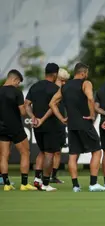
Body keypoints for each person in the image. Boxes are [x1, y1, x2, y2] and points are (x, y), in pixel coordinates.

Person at [49, 63, 105, 192]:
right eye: (86, 73)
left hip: (71, 125)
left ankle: (75, 185)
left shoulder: (65, 86)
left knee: (73, 155)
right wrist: (92, 115)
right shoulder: (86, 83)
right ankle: (93, 184)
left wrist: (62, 118)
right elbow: (91, 99)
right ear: (83, 73)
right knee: (97, 151)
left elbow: (52, 103)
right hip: (84, 122)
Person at [25, 63, 63, 191]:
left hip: (37, 126)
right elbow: (54, 107)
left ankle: (37, 179)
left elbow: (27, 105)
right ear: (55, 74)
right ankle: (46, 184)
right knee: (49, 154)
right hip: (50, 125)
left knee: (42, 152)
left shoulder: (34, 86)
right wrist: (42, 119)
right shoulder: (55, 88)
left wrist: (33, 117)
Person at [0, 69, 37, 191]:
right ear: (14, 79)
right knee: (25, 153)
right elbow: (22, 111)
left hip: (1, 128)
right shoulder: (17, 92)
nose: (18, 85)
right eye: (18, 82)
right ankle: (24, 184)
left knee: (4, 156)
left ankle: (6, 184)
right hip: (15, 127)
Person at [50, 68, 70, 184]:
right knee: (48, 151)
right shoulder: (50, 90)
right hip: (51, 123)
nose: (64, 83)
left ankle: (54, 175)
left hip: (60, 124)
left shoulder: (64, 91)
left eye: (65, 81)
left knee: (58, 150)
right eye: (61, 80)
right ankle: (44, 175)